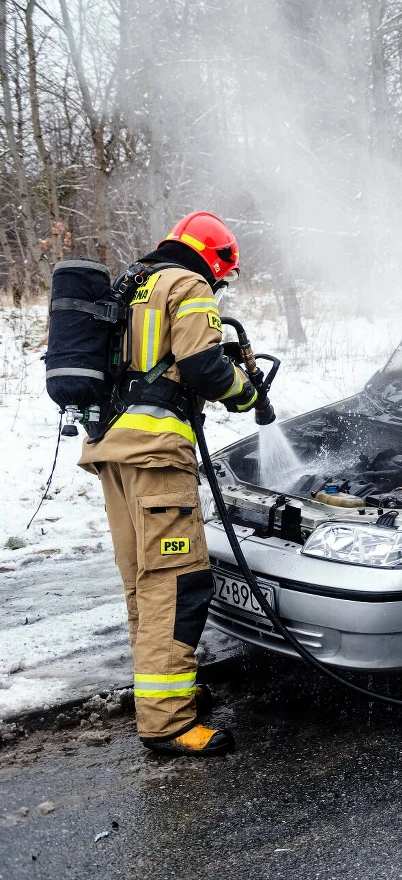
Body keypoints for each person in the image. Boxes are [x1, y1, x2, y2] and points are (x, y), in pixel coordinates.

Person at [80, 211, 260, 756]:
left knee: (143, 583)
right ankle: (168, 723)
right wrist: (247, 392)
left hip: (114, 451)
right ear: (216, 259)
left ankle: (161, 695)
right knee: (177, 586)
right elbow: (204, 368)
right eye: (223, 276)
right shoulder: (191, 285)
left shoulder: (136, 282)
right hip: (156, 456)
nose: (221, 287)